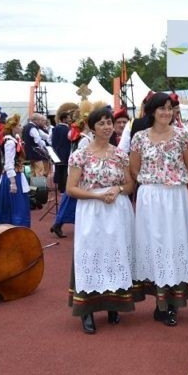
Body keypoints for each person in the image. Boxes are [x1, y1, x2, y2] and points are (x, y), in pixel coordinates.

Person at [66, 107, 136, 334]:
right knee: (90, 255)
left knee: (114, 253)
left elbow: (129, 185)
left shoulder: (119, 154)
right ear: (92, 127)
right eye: (102, 123)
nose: (107, 127)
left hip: (116, 210)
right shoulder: (80, 155)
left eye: (109, 123)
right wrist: (96, 195)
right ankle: (86, 309)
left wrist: (117, 189)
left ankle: (113, 303)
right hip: (91, 210)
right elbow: (71, 189)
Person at [129, 92, 188, 327]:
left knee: (175, 243)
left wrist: (171, 182)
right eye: (162, 108)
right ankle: (160, 303)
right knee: (154, 245)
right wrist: (152, 184)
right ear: (152, 111)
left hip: (175, 196)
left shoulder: (182, 136)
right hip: (150, 197)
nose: (166, 112)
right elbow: (134, 169)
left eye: (170, 108)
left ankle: (174, 302)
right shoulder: (139, 138)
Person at [50, 107, 93, 238]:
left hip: (75, 174)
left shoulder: (79, 136)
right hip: (78, 175)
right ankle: (58, 224)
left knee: (69, 201)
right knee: (70, 201)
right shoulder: (84, 139)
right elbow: (80, 158)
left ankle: (58, 223)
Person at [0, 114, 30, 229]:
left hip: (15, 175)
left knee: (12, 205)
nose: (21, 127)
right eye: (19, 125)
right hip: (13, 177)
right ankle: (17, 228)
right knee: (17, 205)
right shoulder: (10, 142)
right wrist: (13, 182)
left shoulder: (13, 140)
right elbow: (9, 163)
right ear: (13, 127)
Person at [22, 113, 51, 177]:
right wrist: (44, 146)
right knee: (40, 169)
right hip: (35, 152)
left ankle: (33, 185)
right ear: (36, 120)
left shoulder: (28, 126)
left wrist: (49, 138)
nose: (42, 121)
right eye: (40, 120)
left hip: (29, 151)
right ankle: (39, 186)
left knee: (33, 170)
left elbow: (43, 135)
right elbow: (37, 140)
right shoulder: (32, 128)